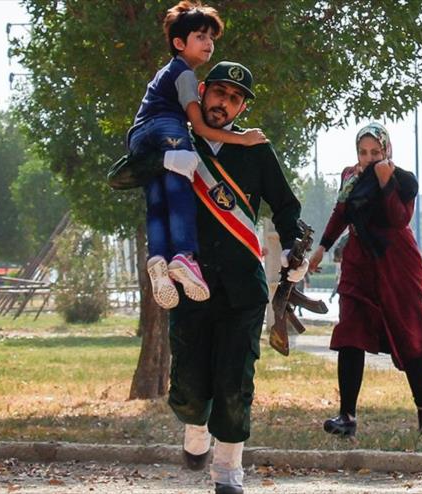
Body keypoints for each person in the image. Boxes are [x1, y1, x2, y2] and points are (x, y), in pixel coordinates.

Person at [126, 61, 304, 494]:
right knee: (188, 385)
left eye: (235, 99)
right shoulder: (176, 136)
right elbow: (123, 173)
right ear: (201, 92)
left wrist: (296, 250)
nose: (224, 103)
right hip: (191, 286)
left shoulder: (255, 148)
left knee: (234, 381)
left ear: (242, 107)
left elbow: (286, 207)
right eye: (219, 93)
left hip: (244, 288)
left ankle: (228, 469)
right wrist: (166, 159)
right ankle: (195, 430)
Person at [128, 1, 266, 310]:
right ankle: (184, 256)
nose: (209, 44)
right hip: (166, 129)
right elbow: (201, 128)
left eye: (211, 38)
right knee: (180, 194)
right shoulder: (185, 75)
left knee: (158, 202)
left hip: (139, 138)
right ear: (180, 43)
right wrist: (241, 139)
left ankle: (159, 261)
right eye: (201, 37)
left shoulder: (163, 74)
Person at [307, 123, 422, 438]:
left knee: (409, 338)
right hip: (359, 262)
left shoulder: (404, 180)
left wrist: (385, 183)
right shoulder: (349, 176)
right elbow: (341, 213)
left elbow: (398, 219)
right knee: (351, 331)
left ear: (387, 150)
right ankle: (346, 417)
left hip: (397, 264)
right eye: (363, 153)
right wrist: (321, 247)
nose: (368, 158)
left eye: (375, 152)